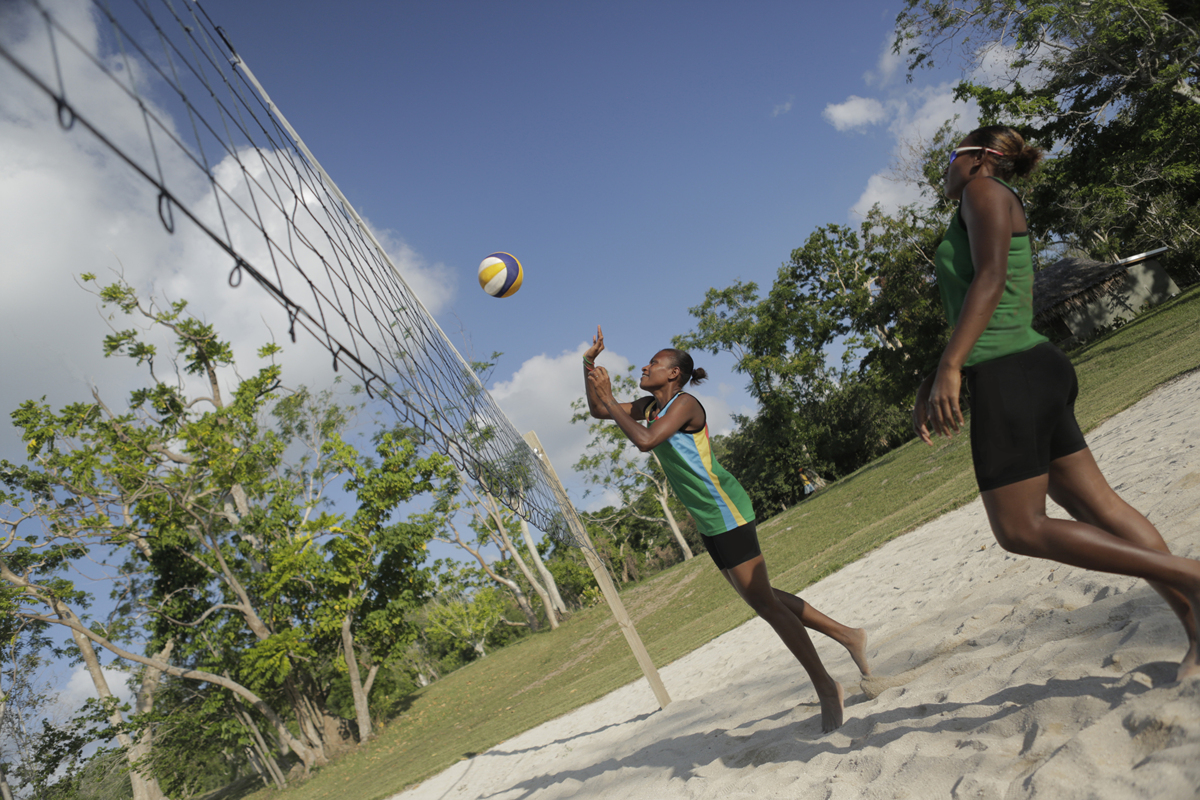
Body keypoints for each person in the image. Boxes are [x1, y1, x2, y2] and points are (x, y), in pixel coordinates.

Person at [914, 124, 1200, 681]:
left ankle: (1191, 573)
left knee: (1020, 529)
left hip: (1012, 374)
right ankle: (1198, 628)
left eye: (951, 156)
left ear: (979, 157)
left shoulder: (983, 191)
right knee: (1099, 508)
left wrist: (953, 367)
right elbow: (980, 297)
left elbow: (992, 279)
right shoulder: (982, 199)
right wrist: (938, 371)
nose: (944, 169)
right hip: (1027, 368)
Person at [583, 327, 870, 732]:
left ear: (674, 374)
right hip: (708, 519)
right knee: (762, 598)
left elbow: (646, 442)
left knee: (765, 605)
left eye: (655, 363)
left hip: (727, 510)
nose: (645, 366)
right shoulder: (650, 406)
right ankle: (849, 636)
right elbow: (599, 411)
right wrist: (588, 365)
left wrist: (610, 397)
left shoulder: (685, 405)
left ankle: (827, 686)